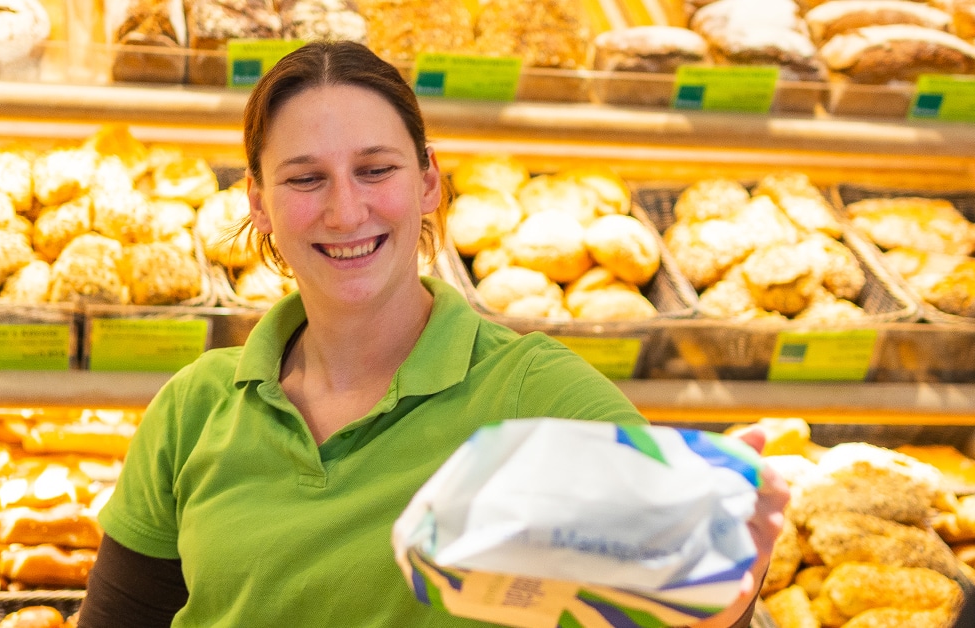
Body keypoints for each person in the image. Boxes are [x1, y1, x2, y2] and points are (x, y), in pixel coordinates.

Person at [80, 40, 788, 627]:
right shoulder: (195, 408)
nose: (345, 209)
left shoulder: (536, 392)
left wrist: (724, 583)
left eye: (375, 170)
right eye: (305, 180)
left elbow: (676, 586)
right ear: (259, 204)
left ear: (427, 184)